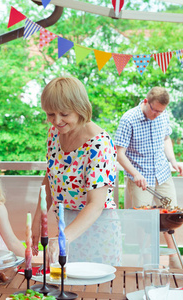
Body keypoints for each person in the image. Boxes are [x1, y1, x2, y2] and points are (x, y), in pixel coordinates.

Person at [30, 77, 121, 265]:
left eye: (64, 113)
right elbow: (50, 178)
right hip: (64, 223)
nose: (56, 120)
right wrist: (38, 221)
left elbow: (95, 204)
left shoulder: (100, 143)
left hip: (97, 230)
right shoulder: (55, 133)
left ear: (80, 109)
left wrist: (62, 239)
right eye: (50, 114)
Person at [114, 86, 183, 268]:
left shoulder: (162, 115)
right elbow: (119, 153)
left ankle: (174, 261)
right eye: (154, 110)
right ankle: (147, 264)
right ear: (146, 102)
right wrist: (135, 174)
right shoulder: (128, 119)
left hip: (162, 173)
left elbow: (165, 139)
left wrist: (173, 161)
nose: (157, 115)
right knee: (144, 222)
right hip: (139, 176)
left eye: (161, 111)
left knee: (172, 216)